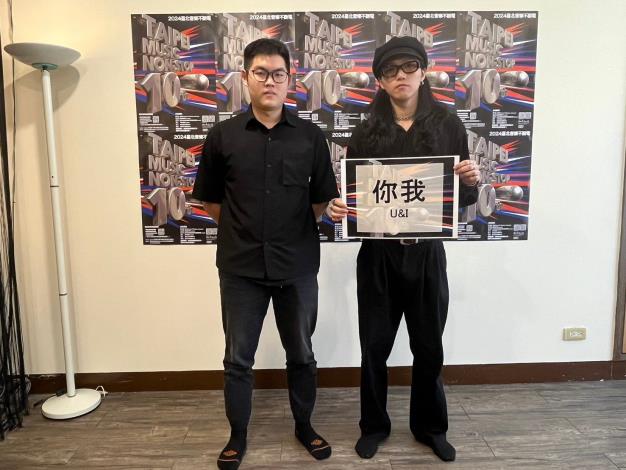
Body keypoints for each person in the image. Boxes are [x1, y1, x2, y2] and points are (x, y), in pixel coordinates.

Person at [192, 38, 347, 470]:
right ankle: (237, 435)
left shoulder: (310, 137)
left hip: (296, 265)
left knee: (302, 354)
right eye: (260, 73)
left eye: (278, 74)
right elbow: (210, 201)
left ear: (289, 80)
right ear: (245, 77)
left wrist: (296, 226)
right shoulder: (223, 136)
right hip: (240, 267)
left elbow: (321, 200)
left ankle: (304, 426)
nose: (270, 81)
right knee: (237, 359)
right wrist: (245, 229)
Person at [337, 36, 480, 462]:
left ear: (423, 72)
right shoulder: (366, 130)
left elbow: (461, 199)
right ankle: (373, 426)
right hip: (378, 255)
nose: (400, 76)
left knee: (429, 346)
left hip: (426, 252)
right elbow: (356, 197)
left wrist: (470, 182)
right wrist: (344, 205)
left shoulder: (448, 125)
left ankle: (431, 428)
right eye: (390, 70)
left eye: (409, 67)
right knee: (374, 347)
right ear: (380, 81)